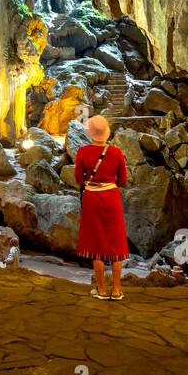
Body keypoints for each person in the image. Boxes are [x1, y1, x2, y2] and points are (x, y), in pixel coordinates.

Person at [74, 115, 129, 301]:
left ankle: (102, 289)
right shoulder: (116, 152)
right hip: (111, 198)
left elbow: (79, 179)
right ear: (107, 132)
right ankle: (117, 290)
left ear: (90, 133)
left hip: (92, 199)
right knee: (116, 241)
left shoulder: (82, 152)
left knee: (95, 242)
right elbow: (123, 179)